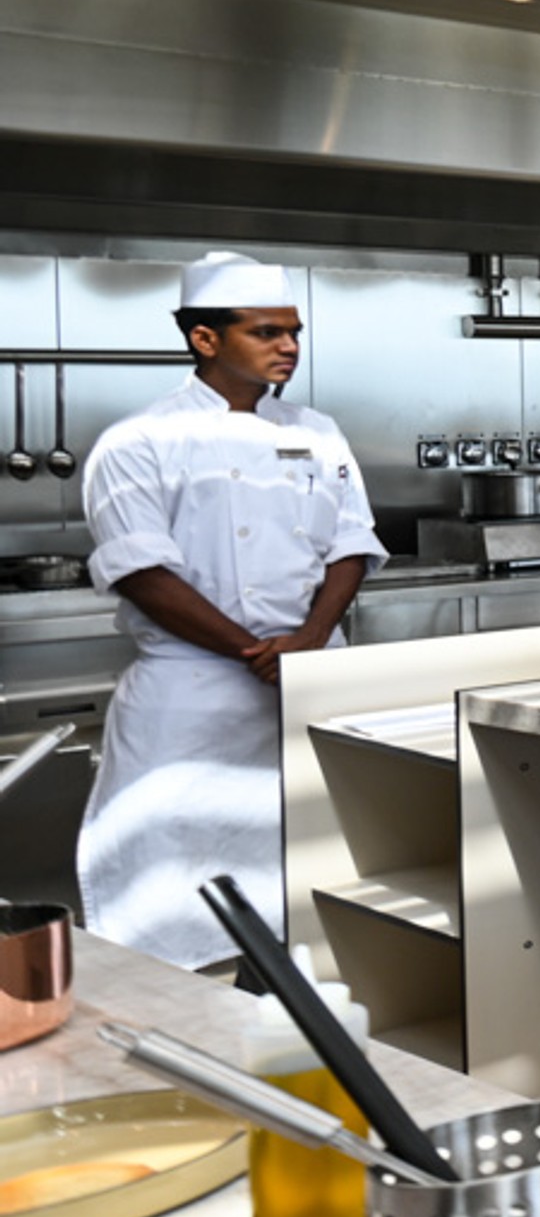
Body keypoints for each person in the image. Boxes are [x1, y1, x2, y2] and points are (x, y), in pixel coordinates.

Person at [75, 254, 383, 970]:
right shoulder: (137, 442)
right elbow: (143, 572)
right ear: (205, 339)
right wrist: (256, 650)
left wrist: (307, 641)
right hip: (192, 702)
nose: (289, 347)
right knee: (173, 900)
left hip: (308, 691)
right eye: (267, 331)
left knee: (314, 892)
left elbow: (353, 542)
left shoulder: (319, 430)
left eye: (295, 332)